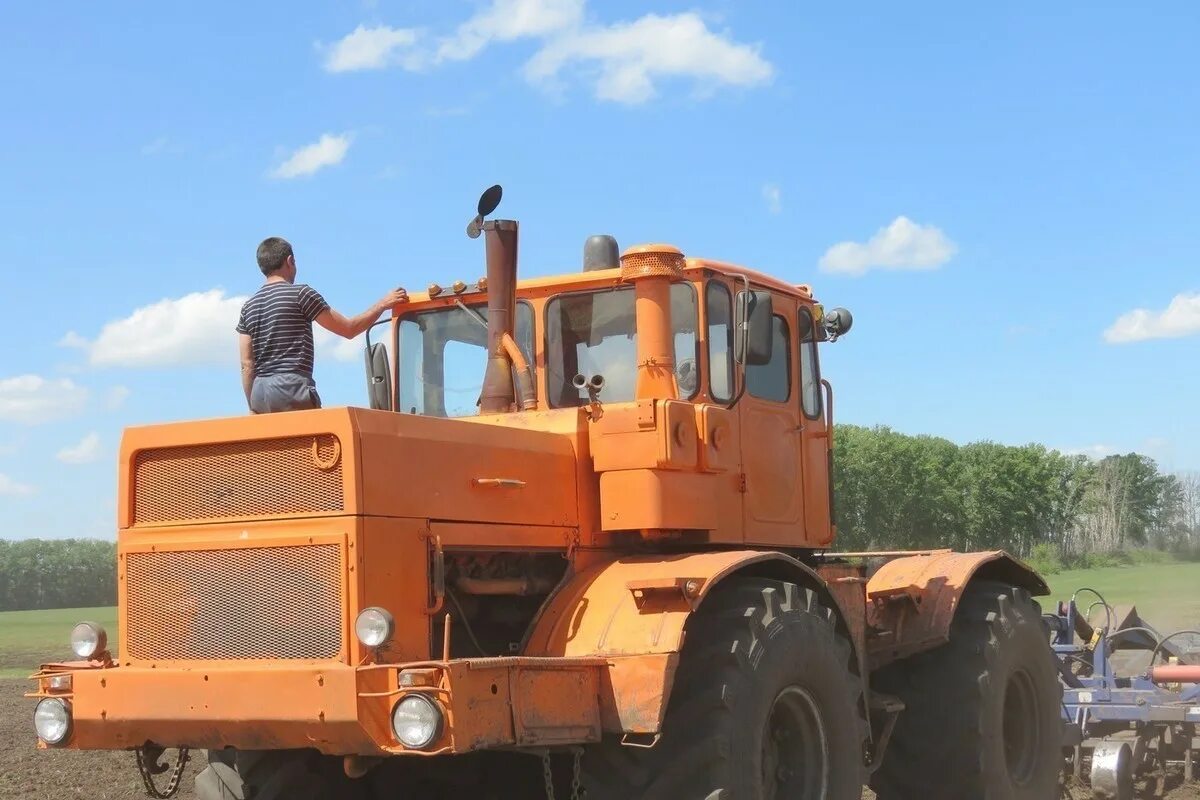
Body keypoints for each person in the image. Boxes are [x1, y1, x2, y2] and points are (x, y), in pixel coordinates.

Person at [237, 237, 407, 413]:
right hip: (291, 389)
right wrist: (382, 305)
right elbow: (348, 329)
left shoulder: (248, 307)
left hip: (259, 394)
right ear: (290, 261)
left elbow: (247, 364)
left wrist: (253, 405)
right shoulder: (301, 294)